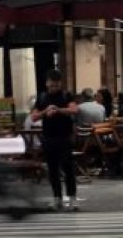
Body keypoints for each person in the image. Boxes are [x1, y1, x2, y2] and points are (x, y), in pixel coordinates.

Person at [31, 69, 79, 211]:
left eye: (56, 86)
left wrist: (58, 110)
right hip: (49, 137)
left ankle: (72, 198)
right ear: (47, 83)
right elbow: (34, 117)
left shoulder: (66, 95)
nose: (54, 88)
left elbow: (74, 110)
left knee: (68, 168)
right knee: (52, 170)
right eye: (51, 85)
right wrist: (46, 111)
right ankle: (56, 198)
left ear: (60, 84)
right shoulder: (42, 97)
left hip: (64, 136)